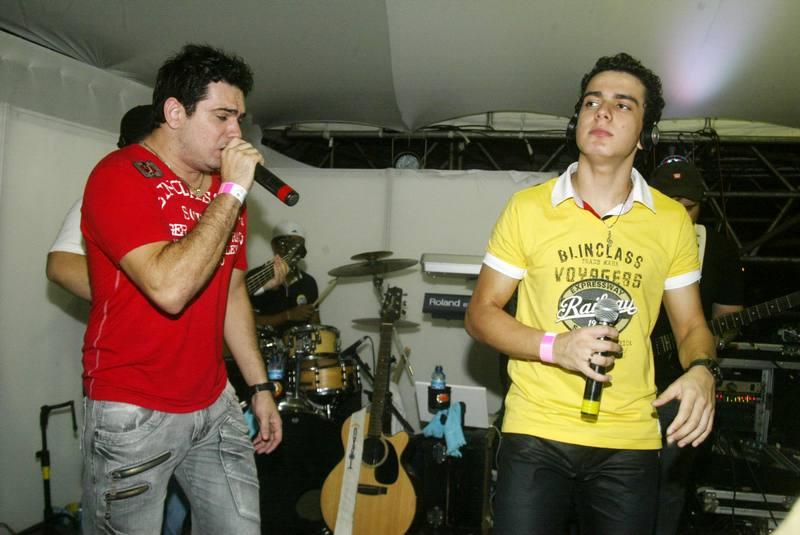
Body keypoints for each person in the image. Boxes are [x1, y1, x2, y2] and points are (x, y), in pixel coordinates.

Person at [464, 52, 718, 535]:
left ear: (644, 136)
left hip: (630, 441)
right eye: (591, 101)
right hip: (536, 432)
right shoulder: (528, 208)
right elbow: (481, 314)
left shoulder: (670, 222)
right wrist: (555, 347)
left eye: (622, 105)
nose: (602, 112)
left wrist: (703, 370)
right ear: (577, 120)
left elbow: (691, 327)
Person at [79, 44, 288, 534]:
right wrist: (232, 192)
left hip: (213, 399)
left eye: (238, 119)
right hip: (134, 407)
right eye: (222, 117)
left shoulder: (221, 192)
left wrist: (259, 387)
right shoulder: (120, 175)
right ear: (175, 113)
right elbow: (169, 289)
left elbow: (232, 292)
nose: (235, 133)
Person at [47, 105, 194, 535]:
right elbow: (60, 265)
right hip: (133, 384)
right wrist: (137, 294)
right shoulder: (116, 186)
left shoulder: (187, 198)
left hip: (184, 381)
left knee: (176, 508)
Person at [649, 157, 745, 535]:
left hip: (680, 387)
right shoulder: (628, 237)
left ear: (701, 205)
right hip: (622, 383)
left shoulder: (717, 248)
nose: (679, 215)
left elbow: (728, 318)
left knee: (668, 486)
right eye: (669, 204)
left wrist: (701, 346)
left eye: (688, 207)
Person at [249, 220, 320, 334]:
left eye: (299, 246)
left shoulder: (309, 282)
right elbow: (246, 322)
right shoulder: (255, 278)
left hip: (299, 344)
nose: (294, 251)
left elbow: (315, 325)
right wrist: (288, 315)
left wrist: (312, 318)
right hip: (263, 343)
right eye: (288, 244)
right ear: (274, 246)